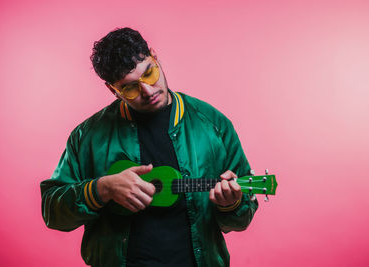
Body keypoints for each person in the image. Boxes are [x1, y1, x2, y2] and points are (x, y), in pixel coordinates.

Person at [40, 27, 258, 267]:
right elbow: (52, 211)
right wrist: (101, 189)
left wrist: (232, 205)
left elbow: (240, 219)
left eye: (150, 73)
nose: (148, 90)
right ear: (113, 90)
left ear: (155, 56)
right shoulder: (88, 136)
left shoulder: (213, 124)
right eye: (130, 88)